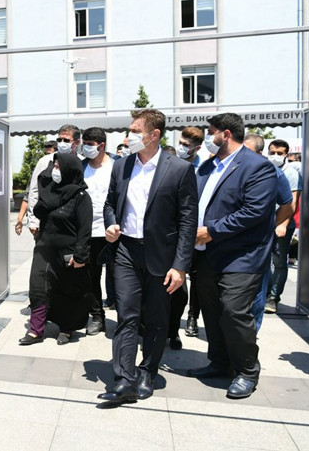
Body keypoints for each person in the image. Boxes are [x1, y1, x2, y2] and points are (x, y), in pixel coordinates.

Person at [99, 109, 197, 403]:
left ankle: (147, 372)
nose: (128, 136)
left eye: (134, 130)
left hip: (161, 255)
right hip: (127, 250)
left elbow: (188, 221)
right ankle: (124, 378)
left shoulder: (178, 169)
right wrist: (111, 223)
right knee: (126, 315)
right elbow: (109, 204)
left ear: (153, 135)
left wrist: (180, 267)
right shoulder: (122, 166)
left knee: (156, 318)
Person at [188, 113, 277, 400]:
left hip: (242, 256)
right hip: (206, 254)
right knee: (212, 311)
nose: (207, 136)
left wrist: (211, 231)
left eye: (210, 131)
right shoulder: (206, 167)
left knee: (234, 311)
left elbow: (254, 212)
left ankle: (247, 371)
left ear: (225, 134)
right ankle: (220, 362)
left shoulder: (257, 167)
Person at [20, 152, 92, 346]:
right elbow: (39, 210)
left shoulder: (81, 197)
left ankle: (67, 329)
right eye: (55, 166)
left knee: (66, 291)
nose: (55, 170)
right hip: (44, 248)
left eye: (59, 167)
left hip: (68, 253)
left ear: (70, 169)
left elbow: (85, 230)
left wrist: (80, 256)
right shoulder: (48, 191)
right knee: (38, 287)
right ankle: (36, 330)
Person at [243, 134, 293, 331]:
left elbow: (287, 204)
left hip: (258, 245)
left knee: (256, 293)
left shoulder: (272, 172)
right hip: (229, 242)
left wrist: (273, 226)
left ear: (258, 153)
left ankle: (250, 337)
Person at [80, 127, 114, 336]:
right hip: (88, 231)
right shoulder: (81, 167)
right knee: (91, 277)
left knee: (119, 277)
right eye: (85, 144)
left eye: (90, 145)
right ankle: (97, 316)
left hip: (113, 231)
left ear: (101, 146)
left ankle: (129, 319)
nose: (86, 148)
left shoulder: (118, 166)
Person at [265, 139, 302, 314]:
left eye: (279, 153)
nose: (275, 156)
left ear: (286, 154)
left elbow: (292, 203)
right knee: (264, 262)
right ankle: (264, 293)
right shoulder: (264, 169)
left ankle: (273, 297)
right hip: (264, 223)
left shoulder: (292, 173)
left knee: (279, 262)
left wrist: (282, 223)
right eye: (272, 152)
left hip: (282, 225)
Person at [177, 127, 205, 338]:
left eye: (186, 145)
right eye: (180, 142)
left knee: (195, 278)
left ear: (197, 147)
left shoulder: (203, 168)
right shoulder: (170, 163)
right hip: (173, 230)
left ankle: (193, 316)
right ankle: (171, 323)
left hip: (196, 230)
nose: (181, 147)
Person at [14, 140, 56, 236]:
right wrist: (20, 220)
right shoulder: (38, 171)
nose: (46, 157)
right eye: (45, 154)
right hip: (41, 223)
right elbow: (28, 196)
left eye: (48, 154)